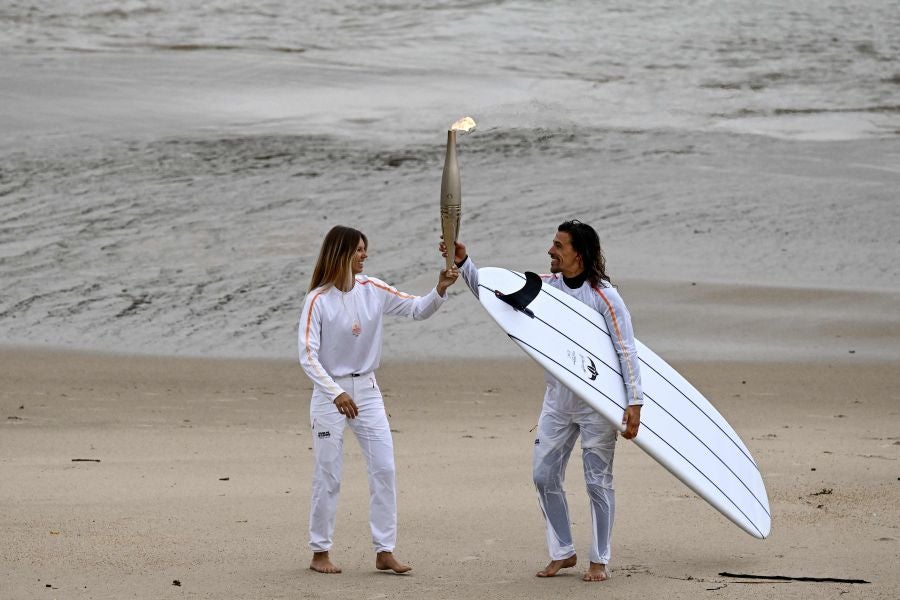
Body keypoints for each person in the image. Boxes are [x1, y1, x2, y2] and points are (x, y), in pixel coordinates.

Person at [441, 219, 642, 582]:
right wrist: (463, 262)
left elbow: (626, 349)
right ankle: (563, 552)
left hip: (598, 402)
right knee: (543, 474)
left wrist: (635, 401)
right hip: (558, 399)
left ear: (578, 255)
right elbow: (495, 296)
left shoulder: (604, 296)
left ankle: (599, 559)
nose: (551, 250)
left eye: (559, 246)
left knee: (598, 482)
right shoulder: (544, 288)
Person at [299, 225, 458, 574]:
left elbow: (417, 309)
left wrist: (440, 289)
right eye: (357, 250)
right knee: (329, 474)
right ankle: (320, 552)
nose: (364, 255)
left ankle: (384, 550)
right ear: (339, 253)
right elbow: (308, 355)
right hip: (330, 394)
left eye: (364, 250)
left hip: (367, 392)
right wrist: (336, 392)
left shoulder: (373, 289)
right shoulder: (317, 300)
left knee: (384, 468)